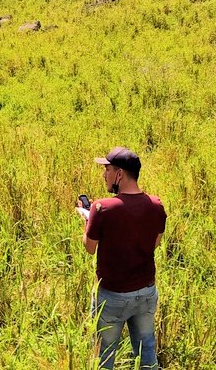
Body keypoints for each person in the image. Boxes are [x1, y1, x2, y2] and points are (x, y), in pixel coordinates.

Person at [77, 146, 166, 370]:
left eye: (107, 170)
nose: (104, 175)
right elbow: (155, 243)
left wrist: (88, 220)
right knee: (146, 353)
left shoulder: (101, 208)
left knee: (104, 357)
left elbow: (89, 248)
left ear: (119, 174)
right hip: (146, 292)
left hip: (112, 296)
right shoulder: (156, 205)